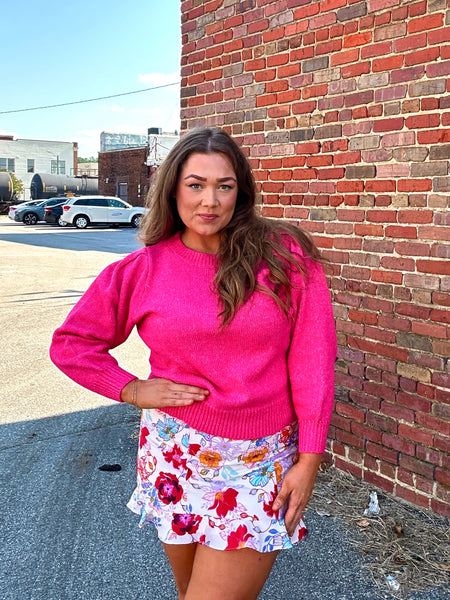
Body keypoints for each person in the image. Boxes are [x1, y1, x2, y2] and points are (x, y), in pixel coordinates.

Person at [50, 127, 337, 600]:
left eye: (224, 186)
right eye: (195, 184)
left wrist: (310, 459)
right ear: (173, 189)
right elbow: (72, 343)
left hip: (259, 461)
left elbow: (314, 361)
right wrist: (133, 389)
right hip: (175, 453)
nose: (210, 201)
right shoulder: (143, 269)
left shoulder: (286, 258)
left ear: (240, 191)